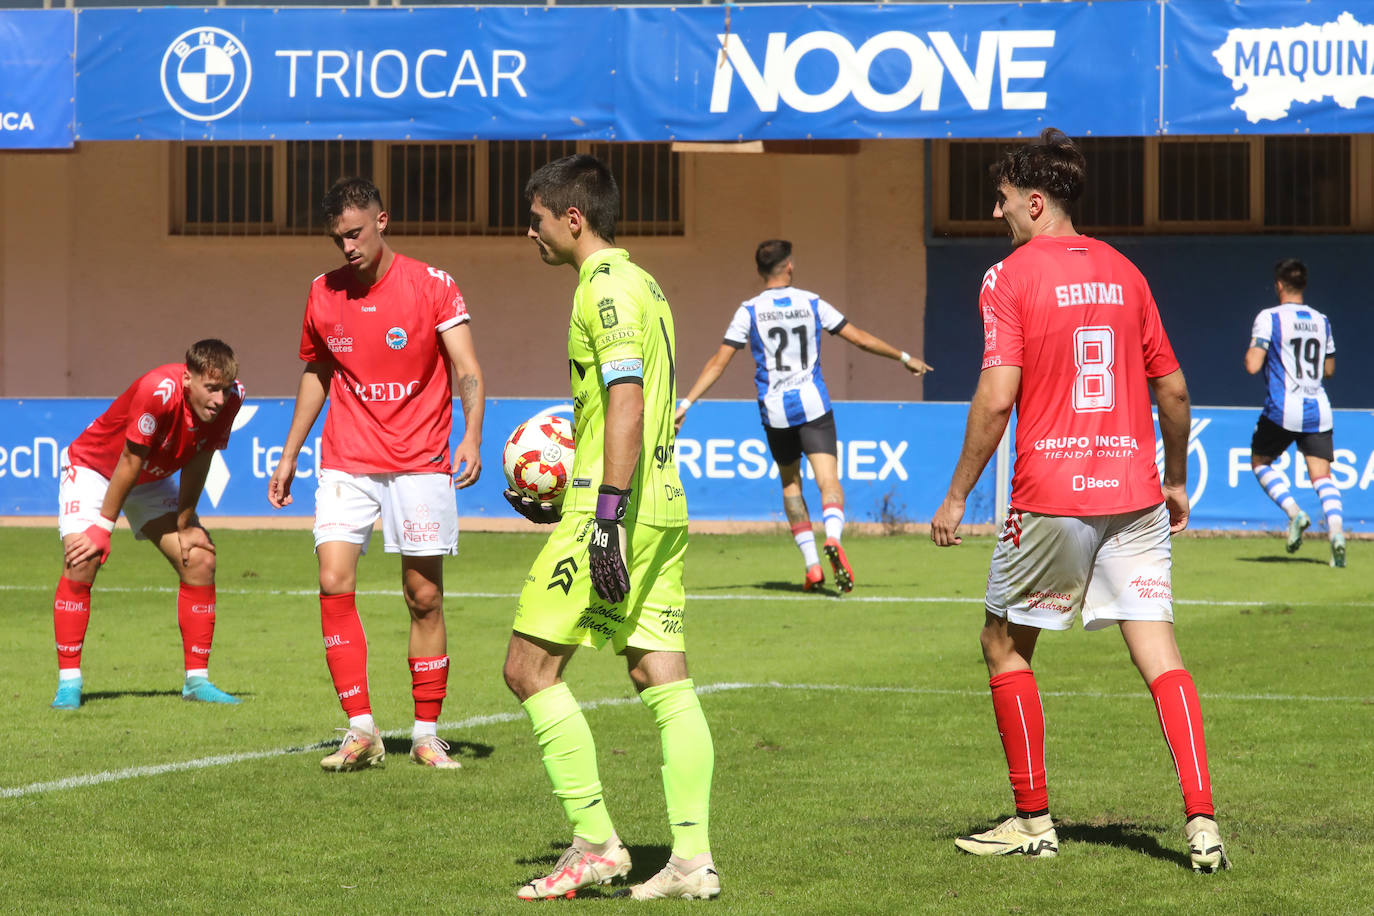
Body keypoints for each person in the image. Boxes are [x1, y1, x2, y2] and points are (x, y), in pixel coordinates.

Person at [929, 128, 1229, 872]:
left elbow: (998, 401)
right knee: (1159, 653)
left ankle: (1032, 820)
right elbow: (1176, 389)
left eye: (1001, 203)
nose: (998, 215)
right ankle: (1202, 824)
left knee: (1003, 645)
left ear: (1035, 202)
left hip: (1053, 496)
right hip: (1134, 495)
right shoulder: (1128, 274)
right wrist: (1177, 475)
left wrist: (957, 494)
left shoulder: (1007, 278)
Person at [501, 154, 719, 901]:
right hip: (663, 502)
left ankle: (595, 843)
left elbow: (625, 399)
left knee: (528, 669)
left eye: (535, 219)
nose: (528, 232)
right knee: (660, 672)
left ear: (572, 217)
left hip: (616, 508)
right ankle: (692, 860)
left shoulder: (603, 289)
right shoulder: (645, 283)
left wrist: (602, 519)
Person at [267, 177, 485, 772]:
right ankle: (361, 728)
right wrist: (290, 452)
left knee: (423, 596)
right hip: (347, 458)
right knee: (333, 579)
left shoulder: (432, 286)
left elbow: (466, 366)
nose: (348, 247)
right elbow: (318, 373)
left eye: (356, 233)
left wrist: (470, 433)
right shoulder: (322, 293)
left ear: (382, 221)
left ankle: (425, 731)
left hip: (419, 461)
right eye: (338, 238)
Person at [674, 240, 932, 593]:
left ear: (760, 272)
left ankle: (812, 565)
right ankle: (835, 537)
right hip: (813, 405)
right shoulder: (811, 303)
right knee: (828, 480)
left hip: (775, 410)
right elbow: (858, 339)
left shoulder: (748, 311)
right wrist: (904, 357)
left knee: (790, 483)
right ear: (790, 267)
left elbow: (719, 362)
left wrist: (686, 404)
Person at [51, 339, 244, 709]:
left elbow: (200, 458)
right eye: (211, 388)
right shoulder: (157, 391)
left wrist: (186, 522)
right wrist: (103, 528)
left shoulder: (232, 400)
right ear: (188, 379)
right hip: (96, 470)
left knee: (199, 557)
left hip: (150, 478)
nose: (220, 399)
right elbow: (129, 459)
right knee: (82, 559)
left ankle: (196, 681)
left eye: (225, 389)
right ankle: (69, 684)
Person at [1245, 258, 1344, 567]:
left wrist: (1256, 348)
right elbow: (1329, 369)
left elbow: (1252, 365)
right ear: (1304, 285)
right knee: (1322, 477)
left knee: (1260, 462)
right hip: (1319, 410)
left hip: (1283, 410)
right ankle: (1337, 534)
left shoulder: (1268, 317)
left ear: (1278, 285)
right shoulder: (1321, 320)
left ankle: (1294, 513)